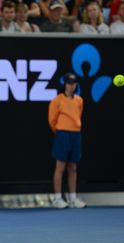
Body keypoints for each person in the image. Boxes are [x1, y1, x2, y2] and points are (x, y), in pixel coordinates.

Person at [48, 73, 86, 209]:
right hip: (62, 135)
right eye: (69, 83)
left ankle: (72, 198)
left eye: (74, 83)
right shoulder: (57, 100)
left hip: (76, 135)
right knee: (60, 167)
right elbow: (52, 120)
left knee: (73, 168)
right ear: (64, 84)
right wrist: (60, 131)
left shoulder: (79, 100)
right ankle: (57, 198)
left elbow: (78, 116)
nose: (71, 86)